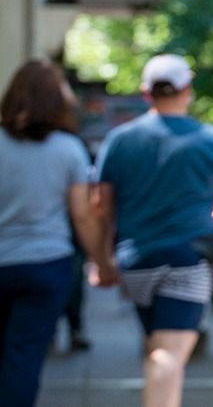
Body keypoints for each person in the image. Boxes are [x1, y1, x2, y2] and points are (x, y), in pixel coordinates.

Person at [93, 54, 213, 407]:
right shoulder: (210, 139)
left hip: (135, 261)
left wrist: (102, 260)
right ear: (187, 90)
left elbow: (101, 206)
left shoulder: (119, 140)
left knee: (157, 346)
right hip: (187, 260)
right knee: (169, 355)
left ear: (146, 92)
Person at [0, 60, 116, 407]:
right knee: (24, 355)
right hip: (46, 263)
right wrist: (101, 262)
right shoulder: (68, 149)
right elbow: (82, 215)